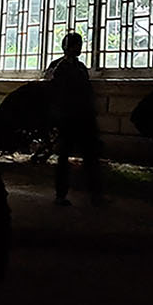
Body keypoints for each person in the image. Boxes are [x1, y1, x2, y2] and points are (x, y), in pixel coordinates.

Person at [45, 32, 102, 205]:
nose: (79, 48)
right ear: (67, 47)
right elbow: (53, 92)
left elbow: (87, 91)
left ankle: (95, 193)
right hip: (68, 118)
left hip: (83, 117)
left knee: (90, 156)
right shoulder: (58, 66)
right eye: (76, 45)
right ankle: (61, 194)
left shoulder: (80, 67)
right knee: (64, 157)